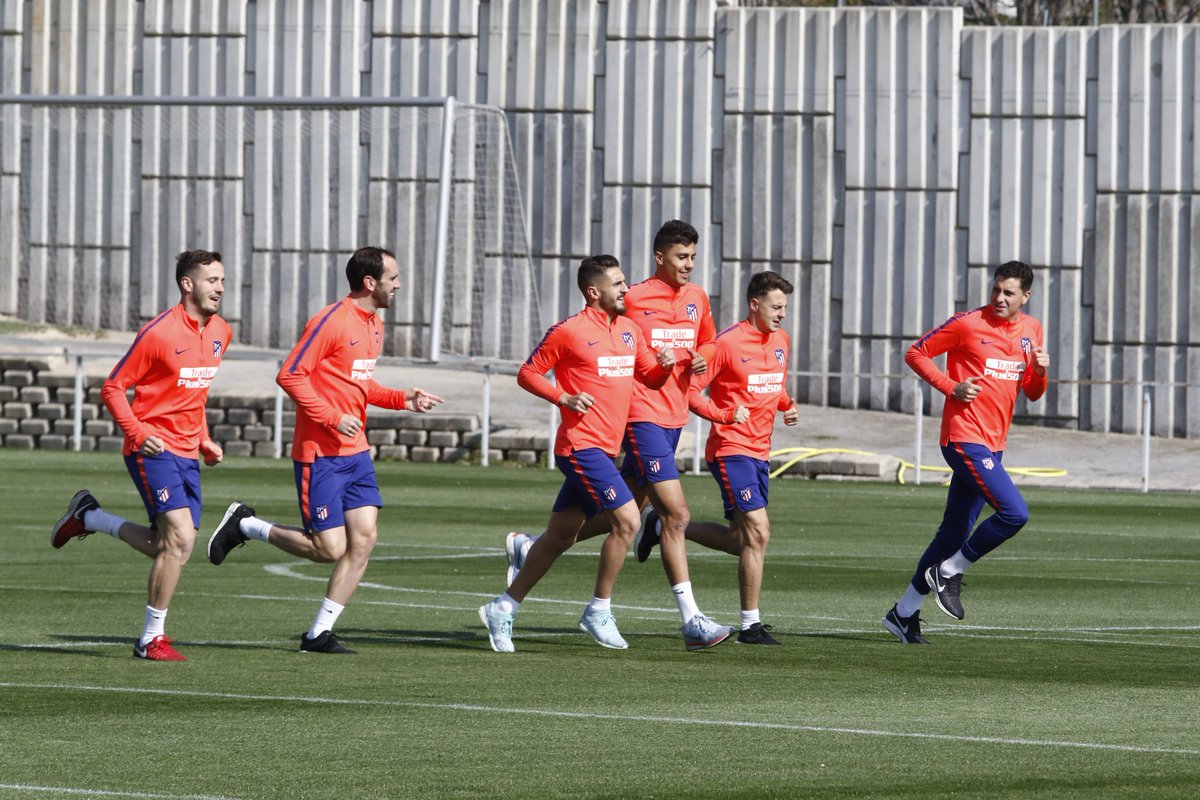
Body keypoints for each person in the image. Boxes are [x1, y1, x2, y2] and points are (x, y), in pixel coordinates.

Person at [503, 220, 734, 651]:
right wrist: (568, 396)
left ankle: (529, 549)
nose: (689, 265)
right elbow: (605, 350)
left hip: (673, 415)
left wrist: (693, 359)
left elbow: (707, 344)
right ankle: (690, 621)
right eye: (682, 257)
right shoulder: (631, 300)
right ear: (660, 257)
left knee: (619, 513)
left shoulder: (697, 298)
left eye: (693, 258)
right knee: (676, 516)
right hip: (639, 417)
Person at [205, 246, 444, 654]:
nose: (399, 285)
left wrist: (402, 397)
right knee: (328, 549)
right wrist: (332, 418)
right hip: (320, 455)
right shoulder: (331, 321)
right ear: (370, 283)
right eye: (394, 278)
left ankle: (318, 634)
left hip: (356, 453)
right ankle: (246, 526)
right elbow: (290, 374)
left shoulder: (373, 324)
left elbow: (361, 384)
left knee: (364, 541)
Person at [478, 254, 675, 653]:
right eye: (617, 284)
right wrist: (563, 396)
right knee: (628, 520)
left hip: (607, 448)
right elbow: (528, 373)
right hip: (580, 447)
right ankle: (598, 610)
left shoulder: (630, 331)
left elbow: (650, 378)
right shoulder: (568, 331)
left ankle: (502, 607)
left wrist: (667, 367)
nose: (625, 289)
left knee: (558, 538)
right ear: (594, 291)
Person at [50, 249, 232, 661]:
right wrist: (137, 431)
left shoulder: (222, 330)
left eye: (222, 280)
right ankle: (150, 640)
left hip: (187, 451)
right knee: (181, 539)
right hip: (152, 448)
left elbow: (194, 395)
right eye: (212, 280)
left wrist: (204, 439)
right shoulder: (160, 333)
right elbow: (113, 387)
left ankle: (89, 517)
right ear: (188, 284)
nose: (220, 287)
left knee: (169, 547)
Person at [882, 260, 1050, 644]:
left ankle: (903, 613)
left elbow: (1033, 391)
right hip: (963, 437)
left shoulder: (1032, 330)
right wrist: (950, 386)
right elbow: (916, 353)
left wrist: (1040, 371)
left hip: (994, 444)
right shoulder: (967, 323)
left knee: (954, 532)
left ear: (1026, 296)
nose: (999, 298)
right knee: (1014, 513)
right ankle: (949, 572)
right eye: (996, 289)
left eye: (1009, 292)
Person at [685, 270, 798, 645]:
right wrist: (724, 415)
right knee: (760, 532)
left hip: (760, 452)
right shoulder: (725, 344)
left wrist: (787, 405)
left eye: (785, 307)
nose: (782, 314)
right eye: (776, 306)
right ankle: (750, 625)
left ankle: (664, 527)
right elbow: (691, 393)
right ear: (755, 304)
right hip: (730, 450)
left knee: (741, 540)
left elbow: (774, 384)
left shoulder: (782, 340)